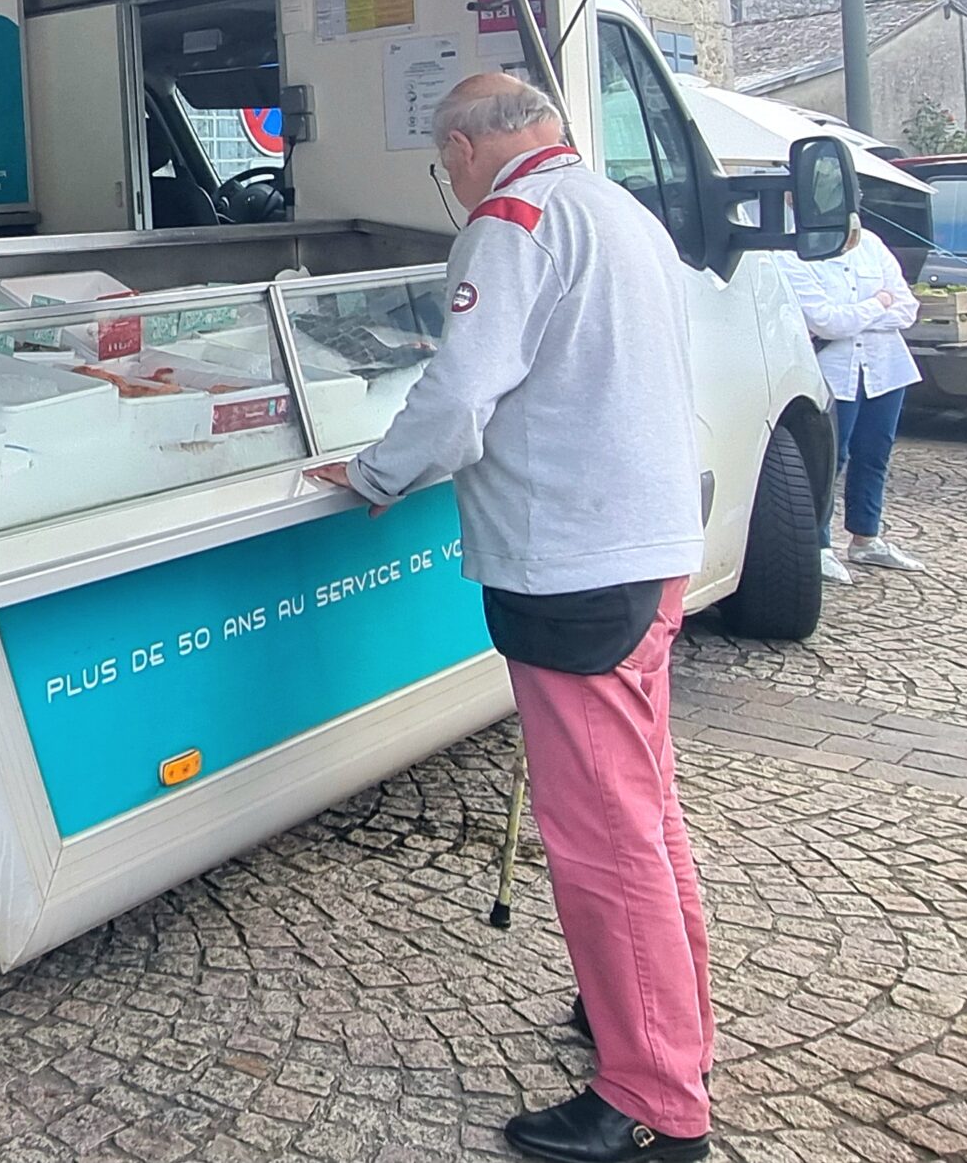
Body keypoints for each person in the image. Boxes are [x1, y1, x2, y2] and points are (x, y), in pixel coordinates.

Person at [305, 72, 714, 1163]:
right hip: (647, 546)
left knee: (600, 835)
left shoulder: (511, 217)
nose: (451, 181)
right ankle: (655, 1020)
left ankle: (652, 1100)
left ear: (463, 146)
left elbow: (457, 396)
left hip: (573, 562)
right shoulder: (617, 208)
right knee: (647, 809)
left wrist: (374, 473)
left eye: (446, 164)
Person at [777, 219, 922, 581]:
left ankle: (865, 537)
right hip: (834, 371)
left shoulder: (871, 244)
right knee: (829, 458)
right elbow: (826, 322)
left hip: (885, 368)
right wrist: (877, 303)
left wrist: (858, 313)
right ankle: (819, 544)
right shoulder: (792, 252)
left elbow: (907, 308)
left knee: (875, 453)